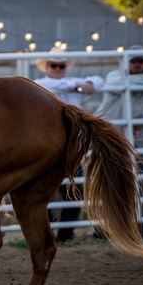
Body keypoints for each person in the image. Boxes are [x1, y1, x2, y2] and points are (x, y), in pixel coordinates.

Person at [33, 48, 104, 242]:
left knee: (75, 193)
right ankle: (46, 234)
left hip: (68, 149)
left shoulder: (67, 87)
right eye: (53, 65)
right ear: (47, 67)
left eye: (60, 66)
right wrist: (76, 84)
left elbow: (99, 82)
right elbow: (46, 84)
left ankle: (64, 235)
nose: (57, 69)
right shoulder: (40, 85)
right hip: (46, 149)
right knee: (41, 193)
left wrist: (82, 85)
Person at [95, 46, 143, 206]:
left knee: (141, 180)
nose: (137, 64)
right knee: (110, 181)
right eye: (133, 61)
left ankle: (141, 225)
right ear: (126, 63)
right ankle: (103, 229)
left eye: (141, 61)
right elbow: (120, 84)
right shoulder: (116, 76)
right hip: (111, 136)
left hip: (137, 139)